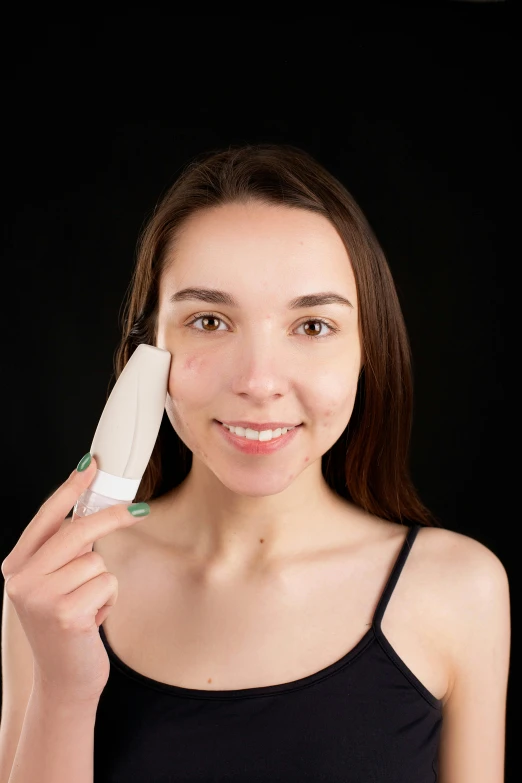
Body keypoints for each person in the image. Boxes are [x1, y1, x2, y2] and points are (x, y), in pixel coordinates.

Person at [1, 144, 510, 782]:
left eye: (314, 326)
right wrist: (64, 692)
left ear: (366, 351)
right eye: (209, 320)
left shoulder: (460, 589)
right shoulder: (60, 589)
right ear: (147, 353)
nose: (260, 382)